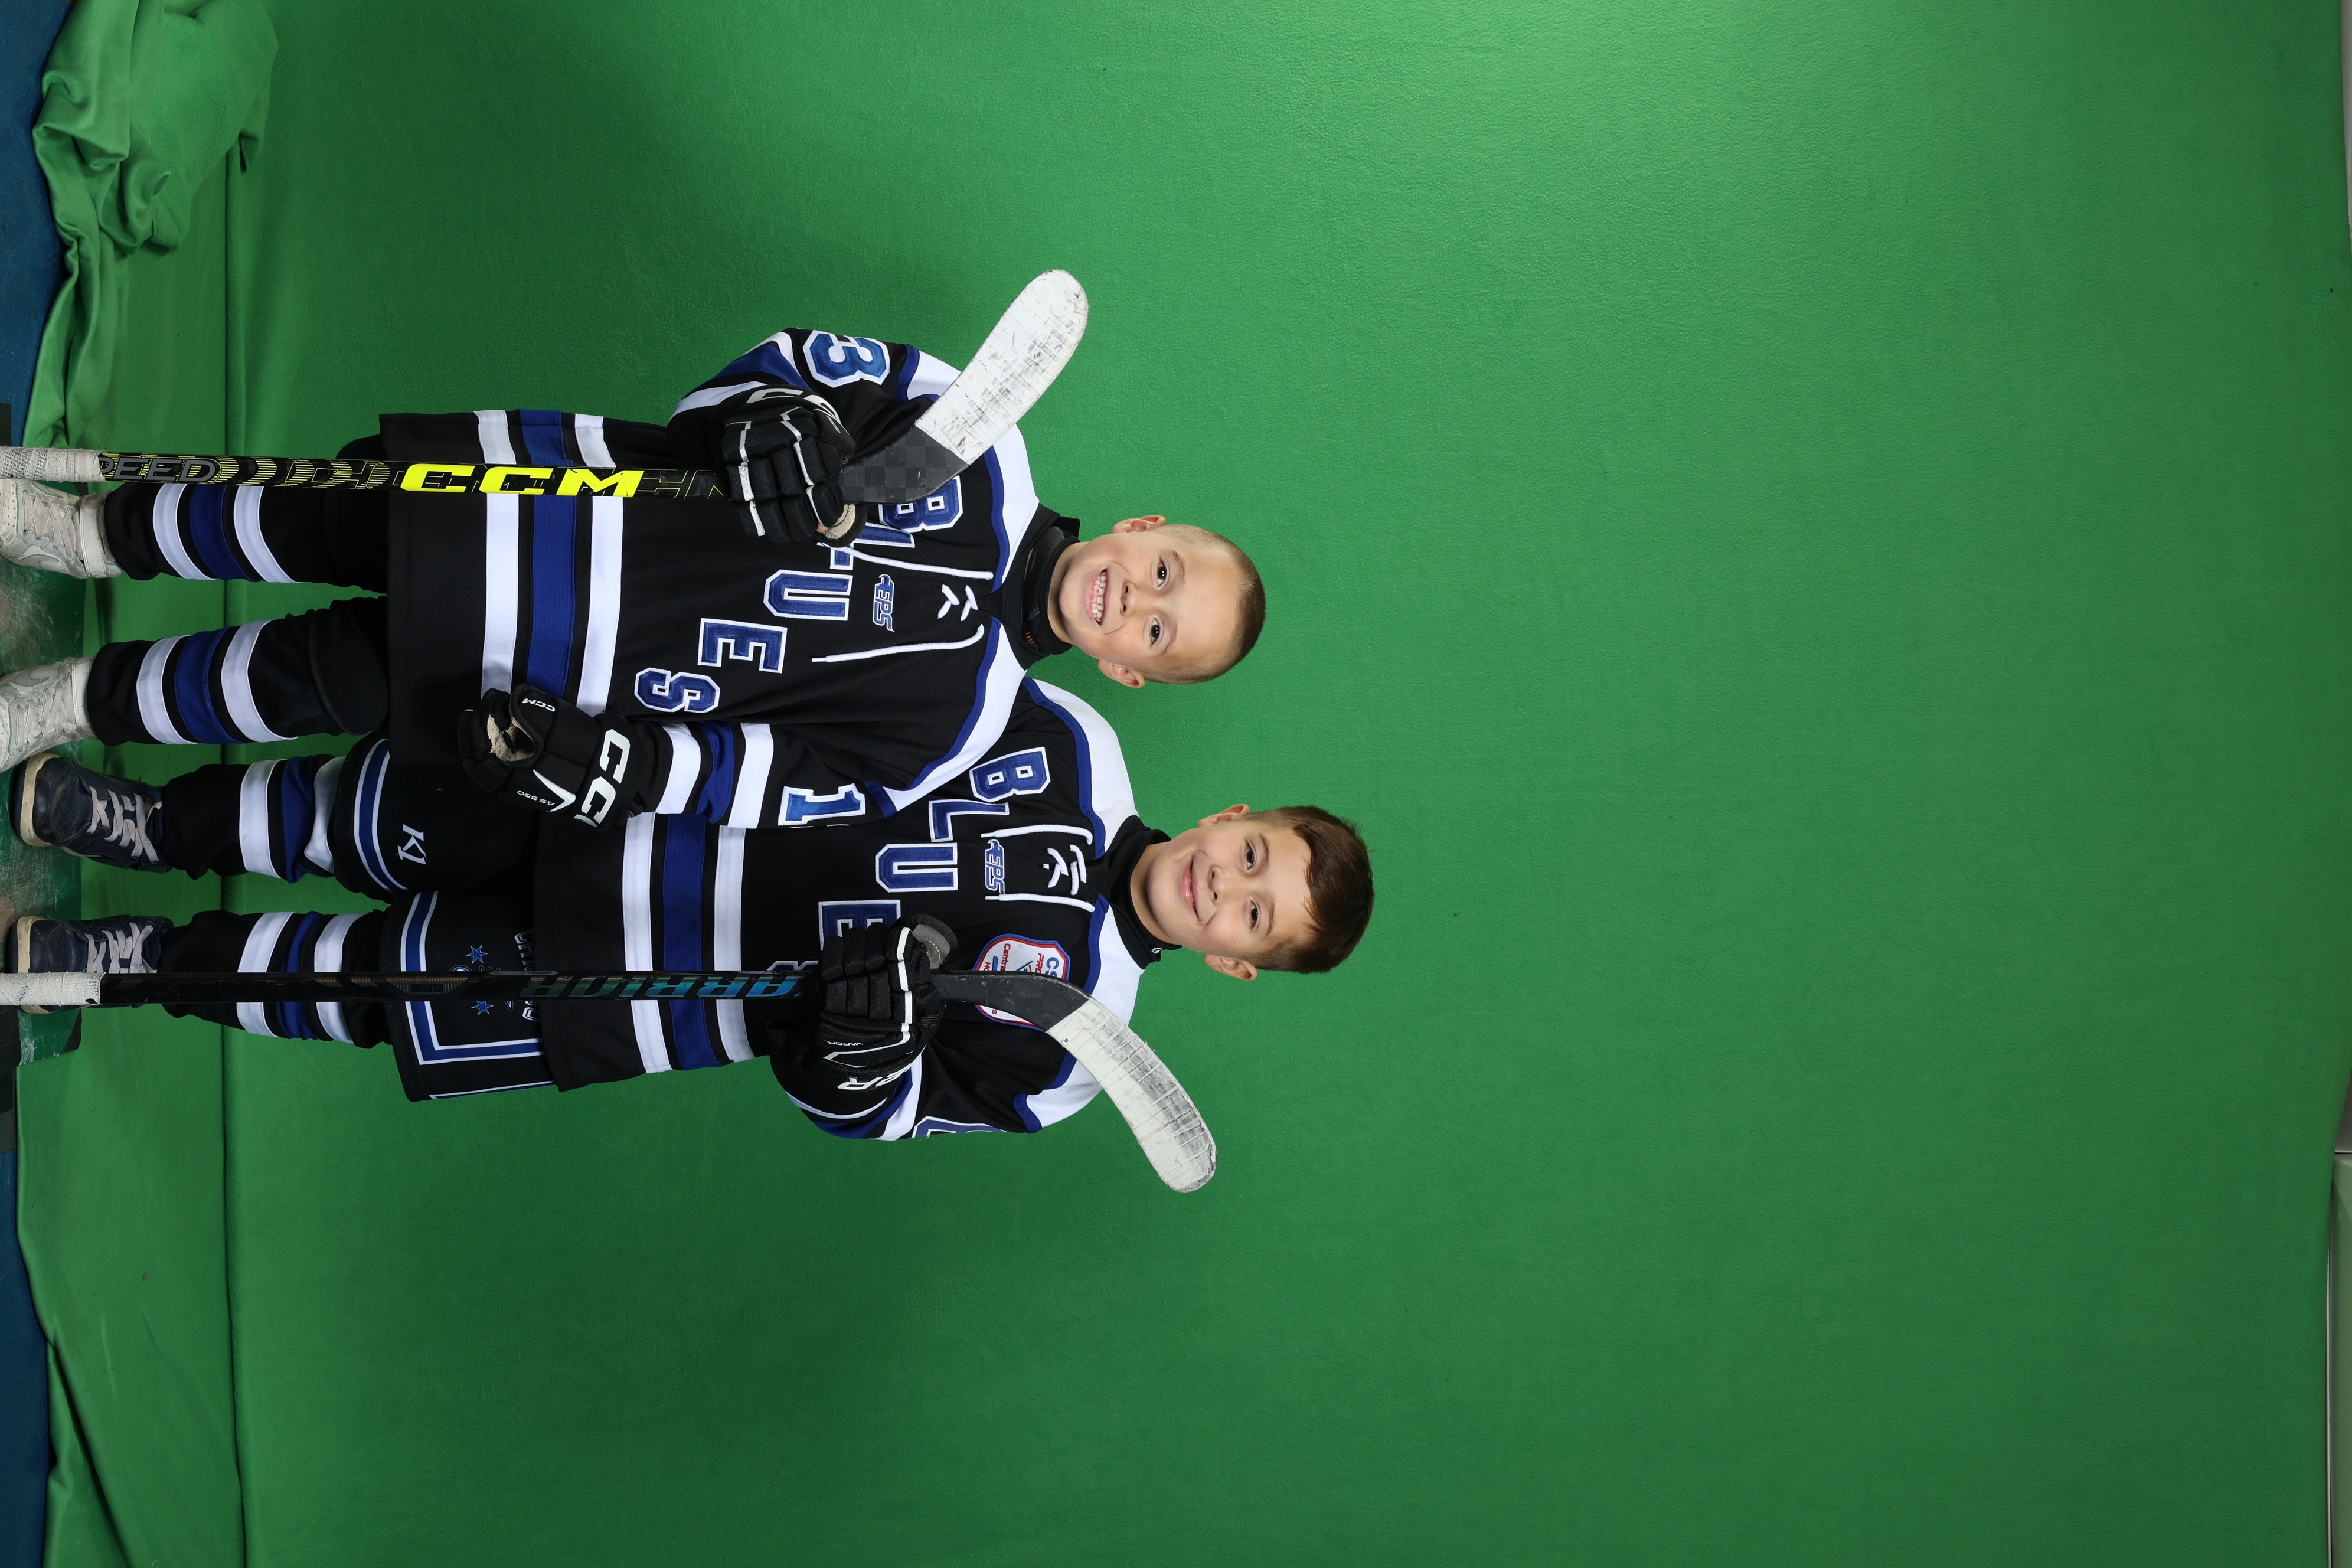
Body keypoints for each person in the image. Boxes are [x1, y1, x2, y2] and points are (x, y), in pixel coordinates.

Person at [0, 326, 1268, 839]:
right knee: (288, 515)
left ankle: (67, 700)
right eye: (1164, 569)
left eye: (1160, 630)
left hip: (534, 670)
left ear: (1128, 672)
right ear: (1145, 524)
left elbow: (758, 783)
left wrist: (614, 766)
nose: (1136, 598)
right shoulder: (977, 429)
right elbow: (774, 367)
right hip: (531, 496)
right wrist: (775, 419)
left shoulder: (957, 732)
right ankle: (83, 534)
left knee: (287, 687)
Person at [6, 681, 1374, 1137]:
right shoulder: (1069, 732)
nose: (1229, 885)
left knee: (367, 985)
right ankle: (153, 822)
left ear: (1235, 964)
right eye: (1254, 854)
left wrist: (859, 1048)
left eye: (1255, 917)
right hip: (640, 808)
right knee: (356, 807)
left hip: (665, 989)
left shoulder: (1082, 1059)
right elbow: (847, 685)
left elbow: (872, 1113)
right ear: (1232, 812)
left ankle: (139, 960)